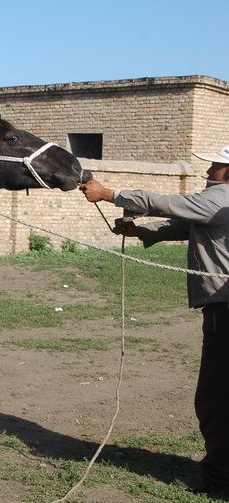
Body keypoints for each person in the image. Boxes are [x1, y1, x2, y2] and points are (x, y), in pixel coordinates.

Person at [80, 145, 229, 494]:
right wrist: (143, 232)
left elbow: (171, 204)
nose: (208, 169)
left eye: (217, 165)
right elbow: (184, 224)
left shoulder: (222, 197)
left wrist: (110, 194)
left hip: (226, 313)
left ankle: (220, 481)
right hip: (222, 311)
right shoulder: (218, 204)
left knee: (215, 400)